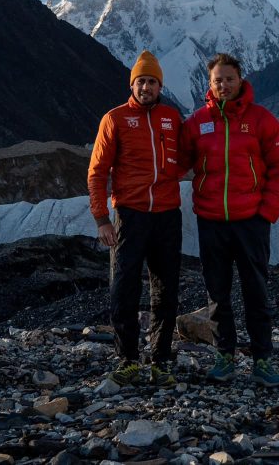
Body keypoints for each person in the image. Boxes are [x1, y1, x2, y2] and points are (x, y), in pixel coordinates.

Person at [180, 53, 279, 387]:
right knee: (218, 294)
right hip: (212, 221)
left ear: (241, 79)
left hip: (250, 222)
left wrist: (266, 212)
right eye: (218, 80)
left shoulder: (261, 120)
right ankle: (224, 356)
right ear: (210, 84)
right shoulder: (197, 122)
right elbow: (177, 161)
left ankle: (262, 361)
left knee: (256, 292)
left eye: (230, 78)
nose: (224, 85)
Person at [88, 50, 183, 388]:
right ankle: (128, 358)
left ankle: (160, 360)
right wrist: (102, 218)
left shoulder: (172, 118)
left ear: (160, 85)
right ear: (133, 84)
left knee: (166, 290)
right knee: (123, 288)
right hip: (129, 214)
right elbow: (98, 172)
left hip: (168, 215)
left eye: (152, 81)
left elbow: (184, 159)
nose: (146, 86)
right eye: (141, 81)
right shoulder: (113, 119)